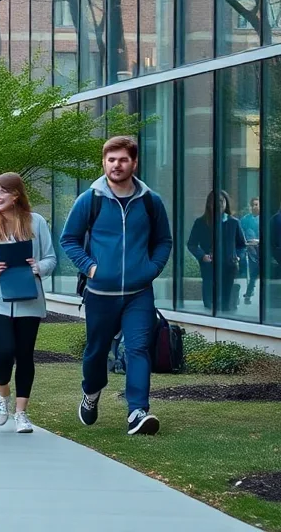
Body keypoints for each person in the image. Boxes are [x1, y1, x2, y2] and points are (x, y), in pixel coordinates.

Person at [60, 135, 172, 436]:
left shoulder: (150, 201)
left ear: (134, 162)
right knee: (96, 352)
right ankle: (91, 392)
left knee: (138, 349)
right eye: (111, 160)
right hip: (100, 294)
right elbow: (68, 240)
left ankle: (137, 411)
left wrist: (152, 269)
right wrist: (91, 267)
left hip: (138, 294)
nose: (116, 165)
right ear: (104, 163)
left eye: (123, 159)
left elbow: (164, 241)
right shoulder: (90, 200)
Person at [0, 173, 57, 434]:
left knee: (25, 355)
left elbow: (51, 259)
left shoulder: (37, 222)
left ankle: (21, 413)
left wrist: (37, 267)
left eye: (1, 192)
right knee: (4, 350)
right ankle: (3, 394)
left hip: (29, 299)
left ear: (16, 195)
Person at [186, 190, 246, 313]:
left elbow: (241, 245)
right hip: (209, 268)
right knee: (210, 305)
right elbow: (191, 244)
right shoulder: (201, 222)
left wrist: (238, 257)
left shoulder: (233, 222)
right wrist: (202, 256)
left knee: (226, 305)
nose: (218, 205)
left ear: (226, 203)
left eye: (221, 201)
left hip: (228, 267)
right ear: (209, 204)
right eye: (215, 202)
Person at [240, 197, 261, 305]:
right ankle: (249, 293)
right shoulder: (245, 219)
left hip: (261, 249)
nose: (254, 207)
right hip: (250, 249)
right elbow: (240, 233)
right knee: (253, 273)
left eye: (256, 204)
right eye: (252, 204)